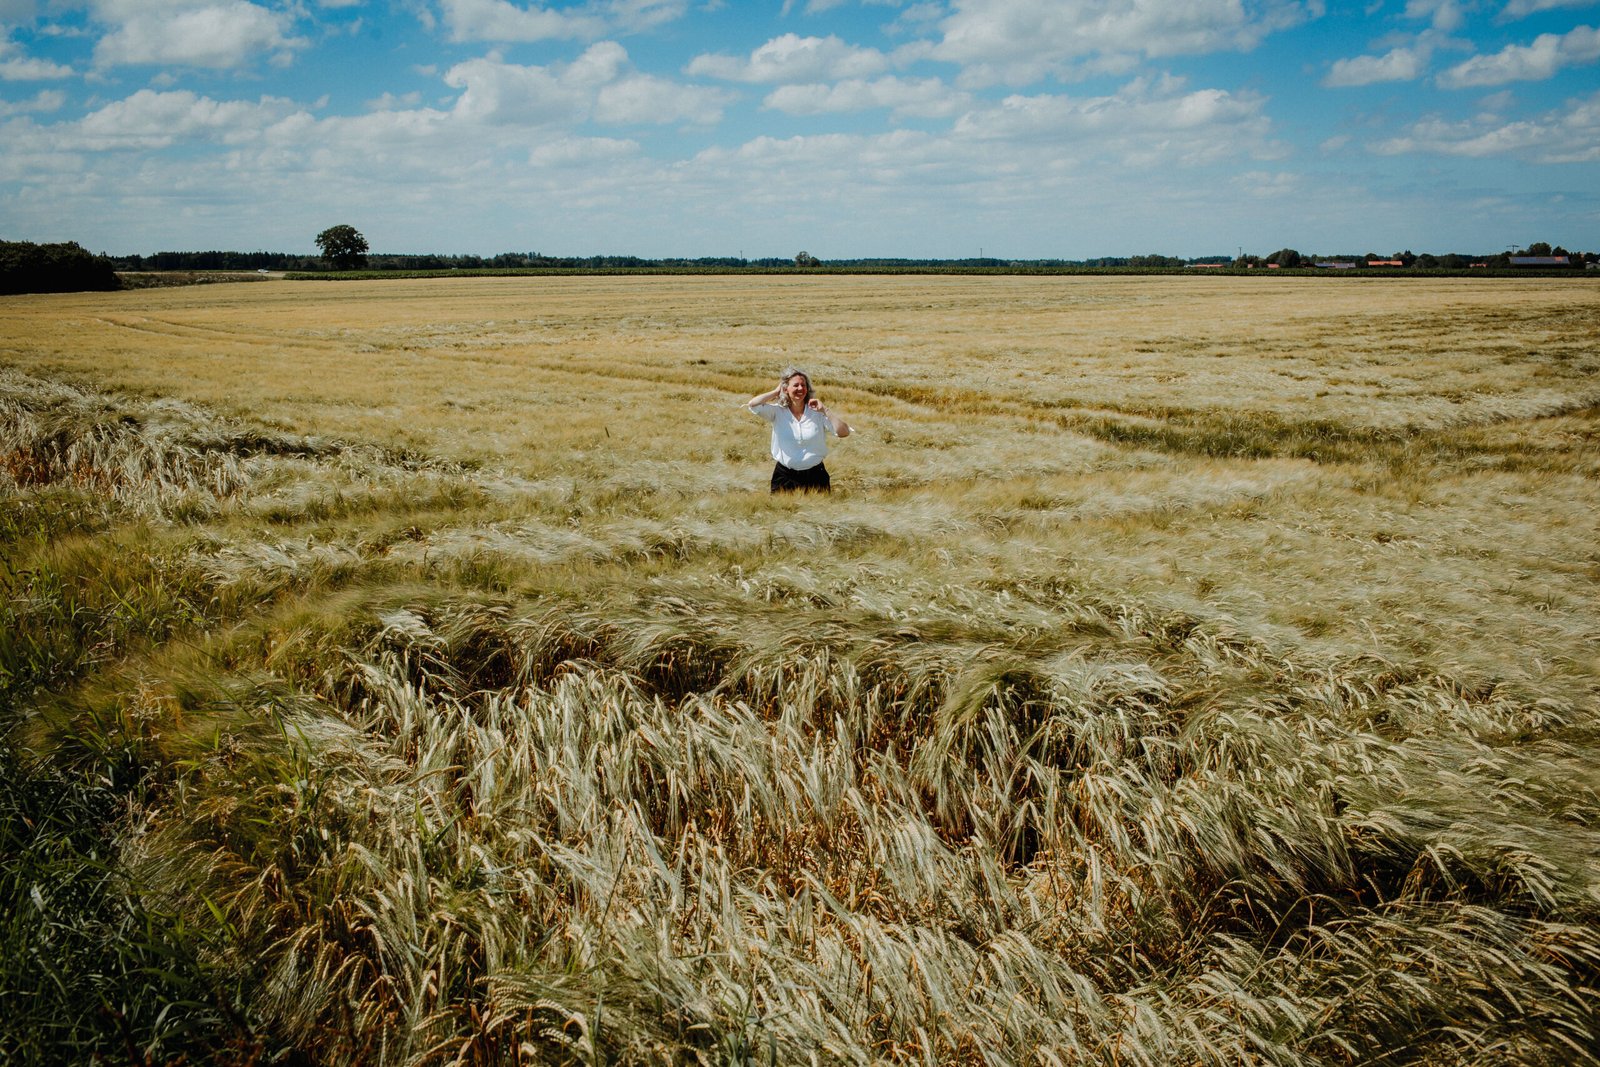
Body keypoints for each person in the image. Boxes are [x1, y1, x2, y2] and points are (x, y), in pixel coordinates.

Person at [746, 366, 851, 493]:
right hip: (784, 477)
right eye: (796, 385)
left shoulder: (817, 412)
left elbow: (843, 432)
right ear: (786, 389)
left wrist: (825, 410)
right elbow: (753, 404)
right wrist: (776, 392)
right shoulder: (777, 411)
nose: (800, 388)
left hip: (816, 477)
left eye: (803, 385)